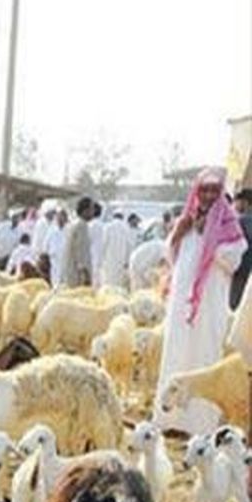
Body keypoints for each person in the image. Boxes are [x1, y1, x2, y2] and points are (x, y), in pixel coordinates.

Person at [155, 168, 247, 435]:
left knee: (204, 357)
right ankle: (169, 419)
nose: (207, 195)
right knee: (175, 352)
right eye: (203, 190)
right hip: (182, 304)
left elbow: (235, 259)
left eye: (213, 191)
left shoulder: (227, 223)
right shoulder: (187, 221)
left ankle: (199, 424)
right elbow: (172, 258)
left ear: (220, 194)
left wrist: (211, 238)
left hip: (208, 306)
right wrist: (176, 235)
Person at [98, 212, 140, 289]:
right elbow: (129, 246)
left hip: (109, 260)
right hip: (121, 261)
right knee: (119, 285)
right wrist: (127, 262)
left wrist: (101, 260)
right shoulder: (126, 228)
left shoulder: (107, 227)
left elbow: (103, 245)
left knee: (108, 284)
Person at [60, 197, 95, 287]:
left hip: (70, 271)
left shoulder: (73, 224)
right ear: (85, 210)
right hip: (77, 276)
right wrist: (85, 275)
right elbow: (81, 253)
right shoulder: (81, 226)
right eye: (92, 209)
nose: (93, 212)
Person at [227, 187, 252, 309]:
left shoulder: (241, 220)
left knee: (235, 305)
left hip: (242, 270)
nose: (235, 205)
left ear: (245, 202)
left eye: (237, 201)